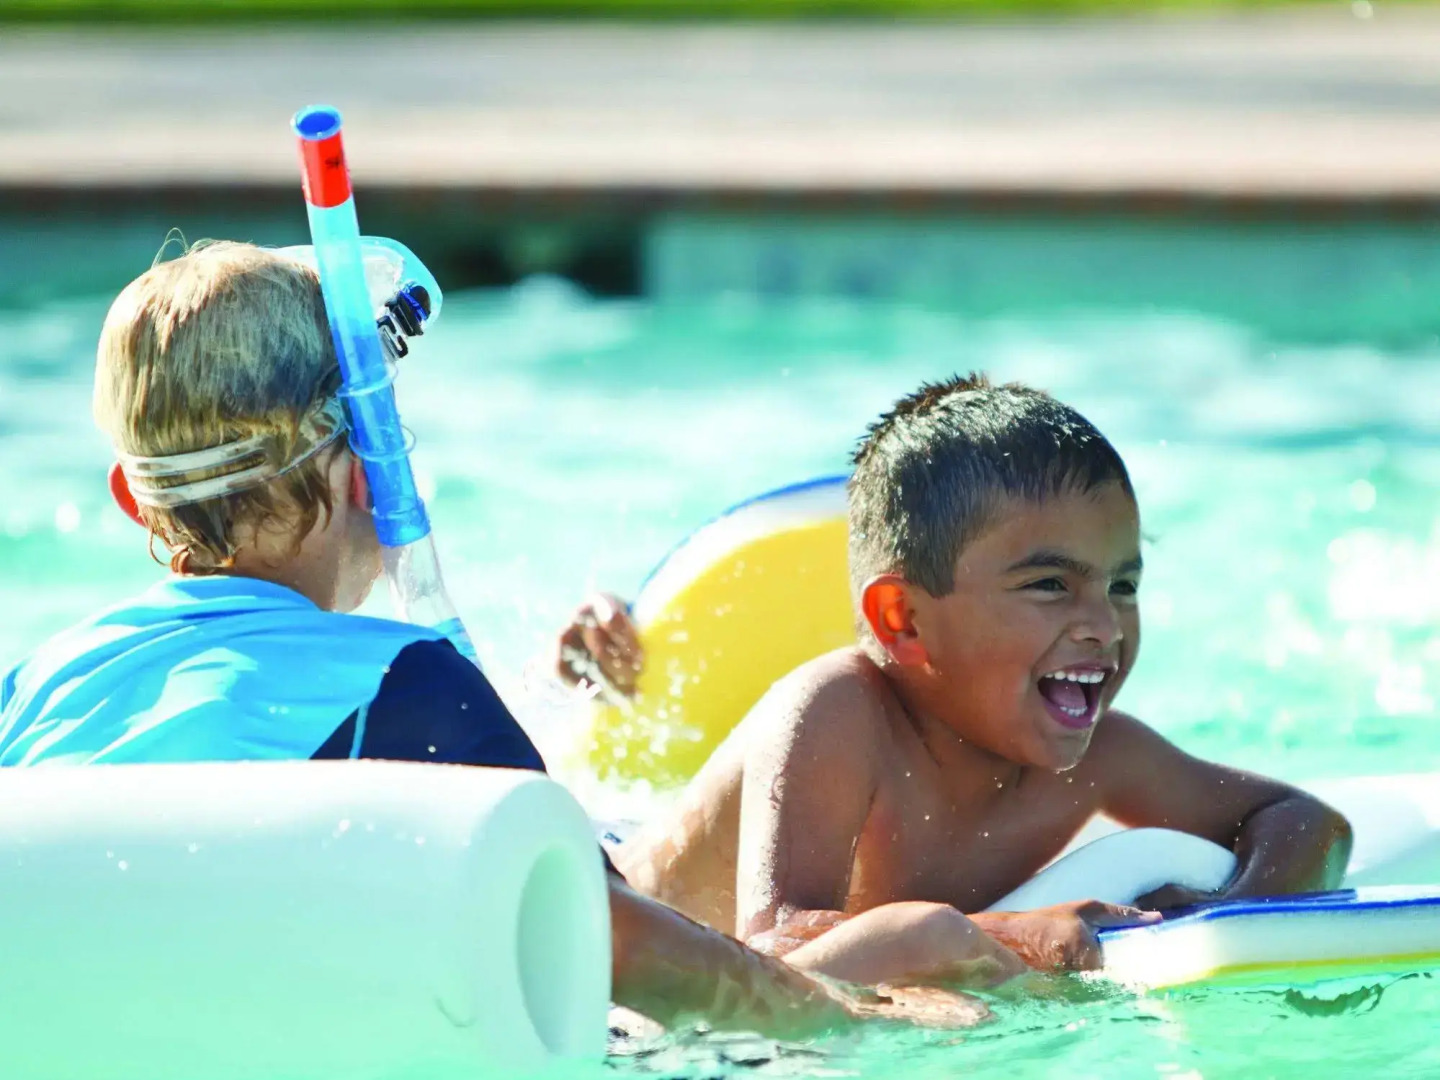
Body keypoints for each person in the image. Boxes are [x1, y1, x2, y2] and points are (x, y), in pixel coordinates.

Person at [0, 242, 1017, 1038]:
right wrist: (854, 1021)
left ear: (131, 496)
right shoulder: (405, 685)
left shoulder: (33, 688)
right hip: (496, 993)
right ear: (369, 471)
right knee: (915, 931)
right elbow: (603, 942)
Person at [560, 374, 1354, 982]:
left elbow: (1303, 819)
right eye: (1050, 585)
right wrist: (1018, 935)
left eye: (1122, 585)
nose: (1105, 627)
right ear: (903, 621)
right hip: (607, 916)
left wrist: (1232, 909)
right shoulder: (838, 715)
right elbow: (774, 945)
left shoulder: (1102, 757)